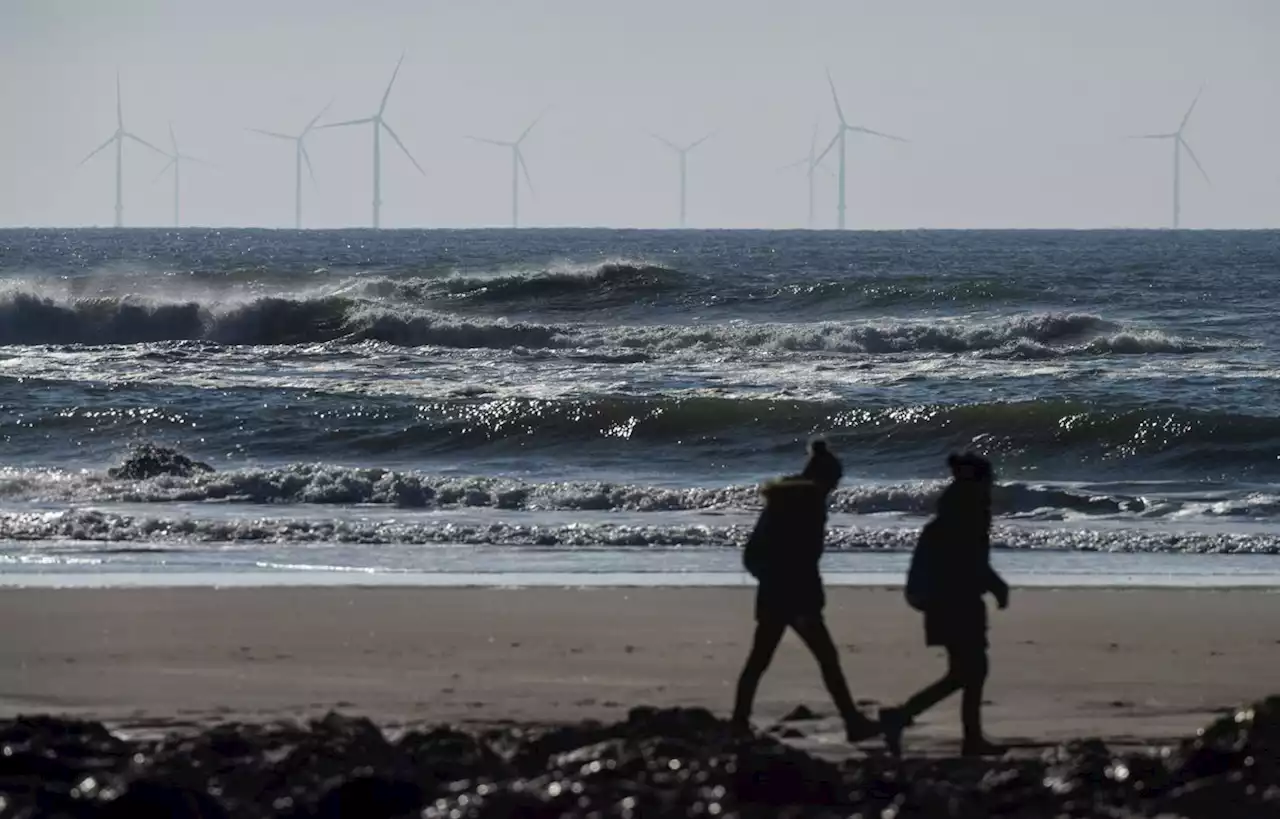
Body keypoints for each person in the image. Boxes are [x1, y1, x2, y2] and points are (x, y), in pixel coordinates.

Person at [731, 439, 877, 742]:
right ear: (825, 478)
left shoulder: (780, 501)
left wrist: (770, 582)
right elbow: (805, 558)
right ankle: (852, 722)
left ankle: (739, 721)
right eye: (834, 483)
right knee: (827, 659)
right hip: (798, 599)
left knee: (759, 660)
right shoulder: (809, 505)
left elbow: (753, 555)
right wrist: (805, 599)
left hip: (773, 595)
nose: (834, 489)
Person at [880, 452, 1009, 757]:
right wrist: (997, 586)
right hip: (958, 603)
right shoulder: (971, 513)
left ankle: (962, 735)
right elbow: (971, 562)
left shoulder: (952, 511)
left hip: (945, 602)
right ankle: (908, 719)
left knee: (965, 672)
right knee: (972, 670)